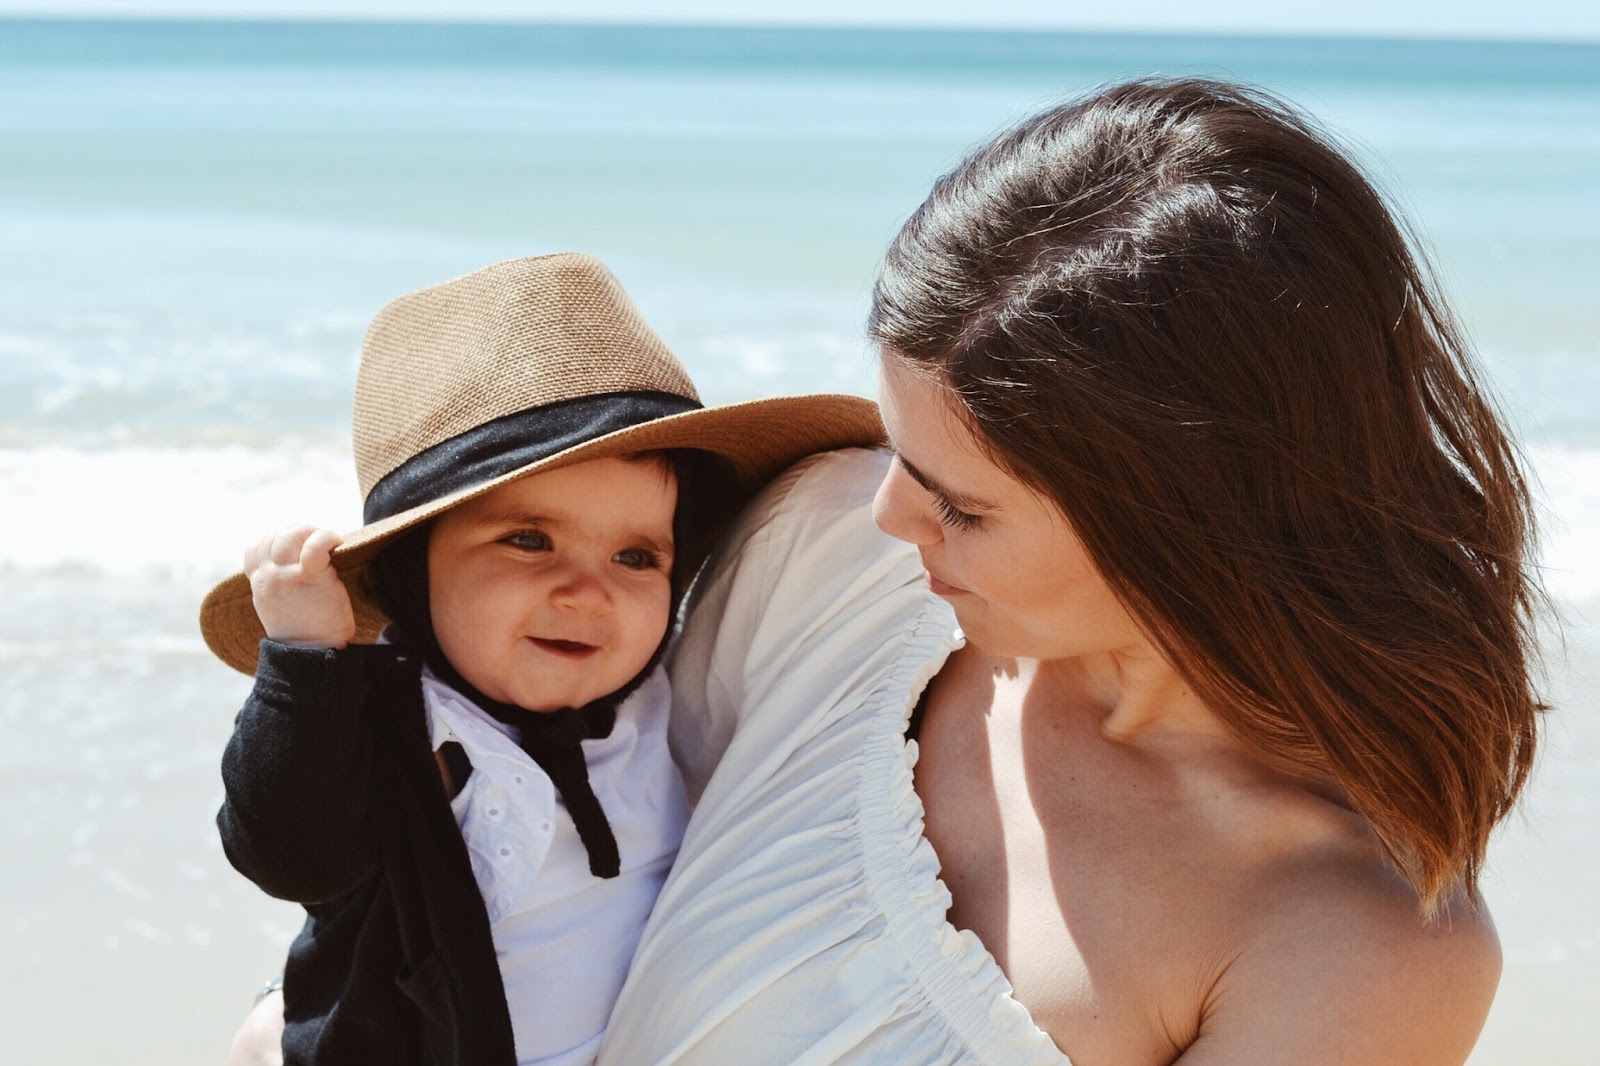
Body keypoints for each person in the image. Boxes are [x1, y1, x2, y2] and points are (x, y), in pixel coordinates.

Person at [593, 78, 1545, 1065]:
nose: (890, 513)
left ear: (1190, 531)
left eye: (963, 508)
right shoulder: (830, 554)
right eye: (899, 450)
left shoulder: (1346, 947)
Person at [198, 253, 882, 1066]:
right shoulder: (397, 727)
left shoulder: (664, 687)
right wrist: (304, 664)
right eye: (529, 541)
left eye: (636, 557)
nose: (588, 592)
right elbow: (290, 854)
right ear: (411, 570)